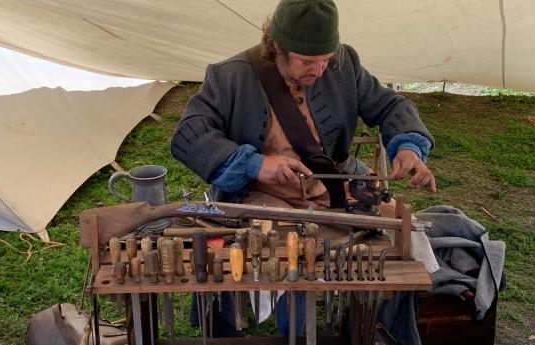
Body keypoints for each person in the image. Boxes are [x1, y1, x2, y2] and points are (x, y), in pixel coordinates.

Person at [171, 0, 436, 336]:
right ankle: (290, 334)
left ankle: (379, 331)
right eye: (308, 61)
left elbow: (389, 105)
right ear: (277, 46)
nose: (321, 70)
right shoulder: (229, 76)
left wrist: (410, 147)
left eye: (327, 59)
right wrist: (256, 165)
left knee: (403, 253)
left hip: (333, 190)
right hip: (261, 195)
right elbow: (188, 136)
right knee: (289, 264)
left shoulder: (345, 63)